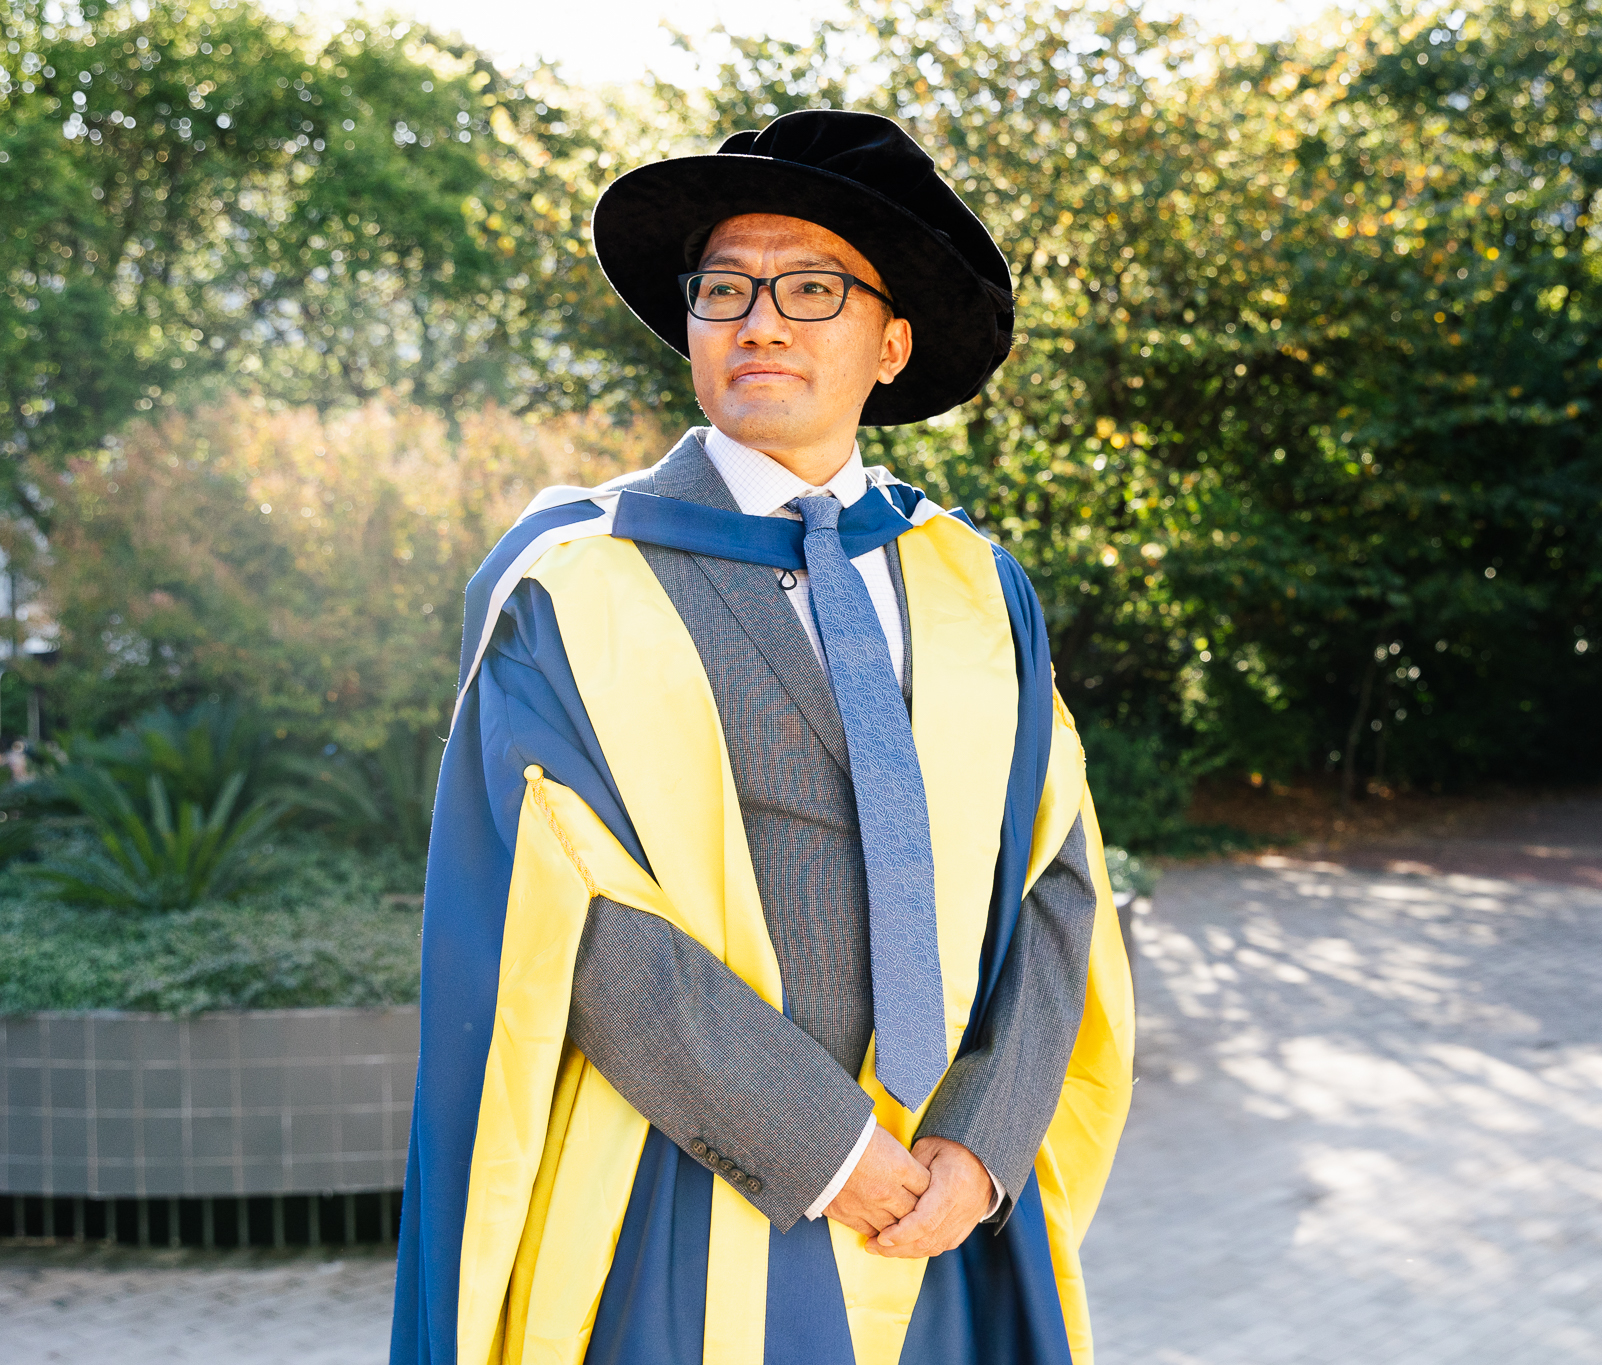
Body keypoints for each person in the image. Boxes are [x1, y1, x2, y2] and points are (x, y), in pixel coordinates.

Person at [390, 109, 1134, 1365]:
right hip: (692, 1191)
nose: (760, 320)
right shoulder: (575, 579)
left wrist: (984, 1141)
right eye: (723, 288)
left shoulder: (973, 585)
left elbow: (1055, 872)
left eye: (810, 288)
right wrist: (827, 1151)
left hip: (943, 1206)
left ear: (890, 342)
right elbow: (566, 909)